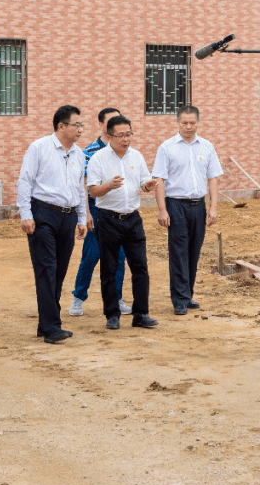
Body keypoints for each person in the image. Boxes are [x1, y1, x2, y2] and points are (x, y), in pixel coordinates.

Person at [17, 106, 90, 344]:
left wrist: (81, 218)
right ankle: (51, 326)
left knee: (58, 270)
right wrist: (26, 214)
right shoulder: (39, 147)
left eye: (81, 125)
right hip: (43, 213)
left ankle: (45, 323)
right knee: (46, 268)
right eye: (76, 125)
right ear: (61, 126)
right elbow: (25, 181)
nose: (80, 129)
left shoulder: (79, 154)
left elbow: (80, 187)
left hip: (67, 217)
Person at [86, 115, 159, 330]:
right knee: (109, 268)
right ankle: (112, 314)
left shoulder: (136, 156)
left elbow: (143, 184)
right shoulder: (98, 158)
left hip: (133, 218)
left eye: (129, 134)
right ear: (109, 136)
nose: (126, 139)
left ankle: (141, 314)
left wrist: (148, 186)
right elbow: (93, 190)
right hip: (108, 219)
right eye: (121, 135)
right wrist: (109, 185)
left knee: (140, 267)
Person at [153, 106, 223, 315]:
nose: (189, 126)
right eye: (185, 123)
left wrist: (212, 208)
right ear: (178, 123)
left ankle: (188, 294)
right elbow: (159, 180)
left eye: (192, 123)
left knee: (194, 250)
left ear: (198, 122)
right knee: (179, 251)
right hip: (176, 205)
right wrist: (162, 210)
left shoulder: (207, 147)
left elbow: (213, 178)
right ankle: (180, 299)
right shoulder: (167, 147)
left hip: (198, 206)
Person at [70, 107, 131, 317]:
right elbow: (84, 186)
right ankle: (79, 297)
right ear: (101, 125)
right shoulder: (89, 151)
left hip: (119, 212)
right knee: (91, 255)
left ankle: (117, 298)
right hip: (96, 211)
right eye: (111, 121)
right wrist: (85, 213)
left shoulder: (125, 151)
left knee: (120, 256)